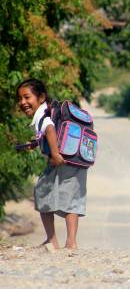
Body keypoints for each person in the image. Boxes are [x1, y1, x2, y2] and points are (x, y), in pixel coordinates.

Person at [16, 79, 87, 250]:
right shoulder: (49, 110)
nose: (23, 102)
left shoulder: (43, 114)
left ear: (41, 97)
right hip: (74, 158)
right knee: (71, 198)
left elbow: (49, 129)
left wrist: (55, 154)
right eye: (20, 99)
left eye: (27, 97)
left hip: (60, 159)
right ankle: (71, 242)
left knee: (41, 192)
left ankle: (52, 240)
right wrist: (35, 144)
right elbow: (48, 133)